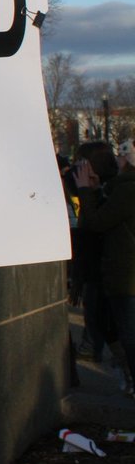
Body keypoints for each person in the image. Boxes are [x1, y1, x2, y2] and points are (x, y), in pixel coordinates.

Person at [74, 139, 135, 397]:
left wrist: (85, 191)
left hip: (121, 273)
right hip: (114, 271)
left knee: (125, 332)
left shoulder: (126, 188)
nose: (117, 159)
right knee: (115, 327)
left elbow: (96, 223)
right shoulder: (118, 187)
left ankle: (128, 375)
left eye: (121, 155)